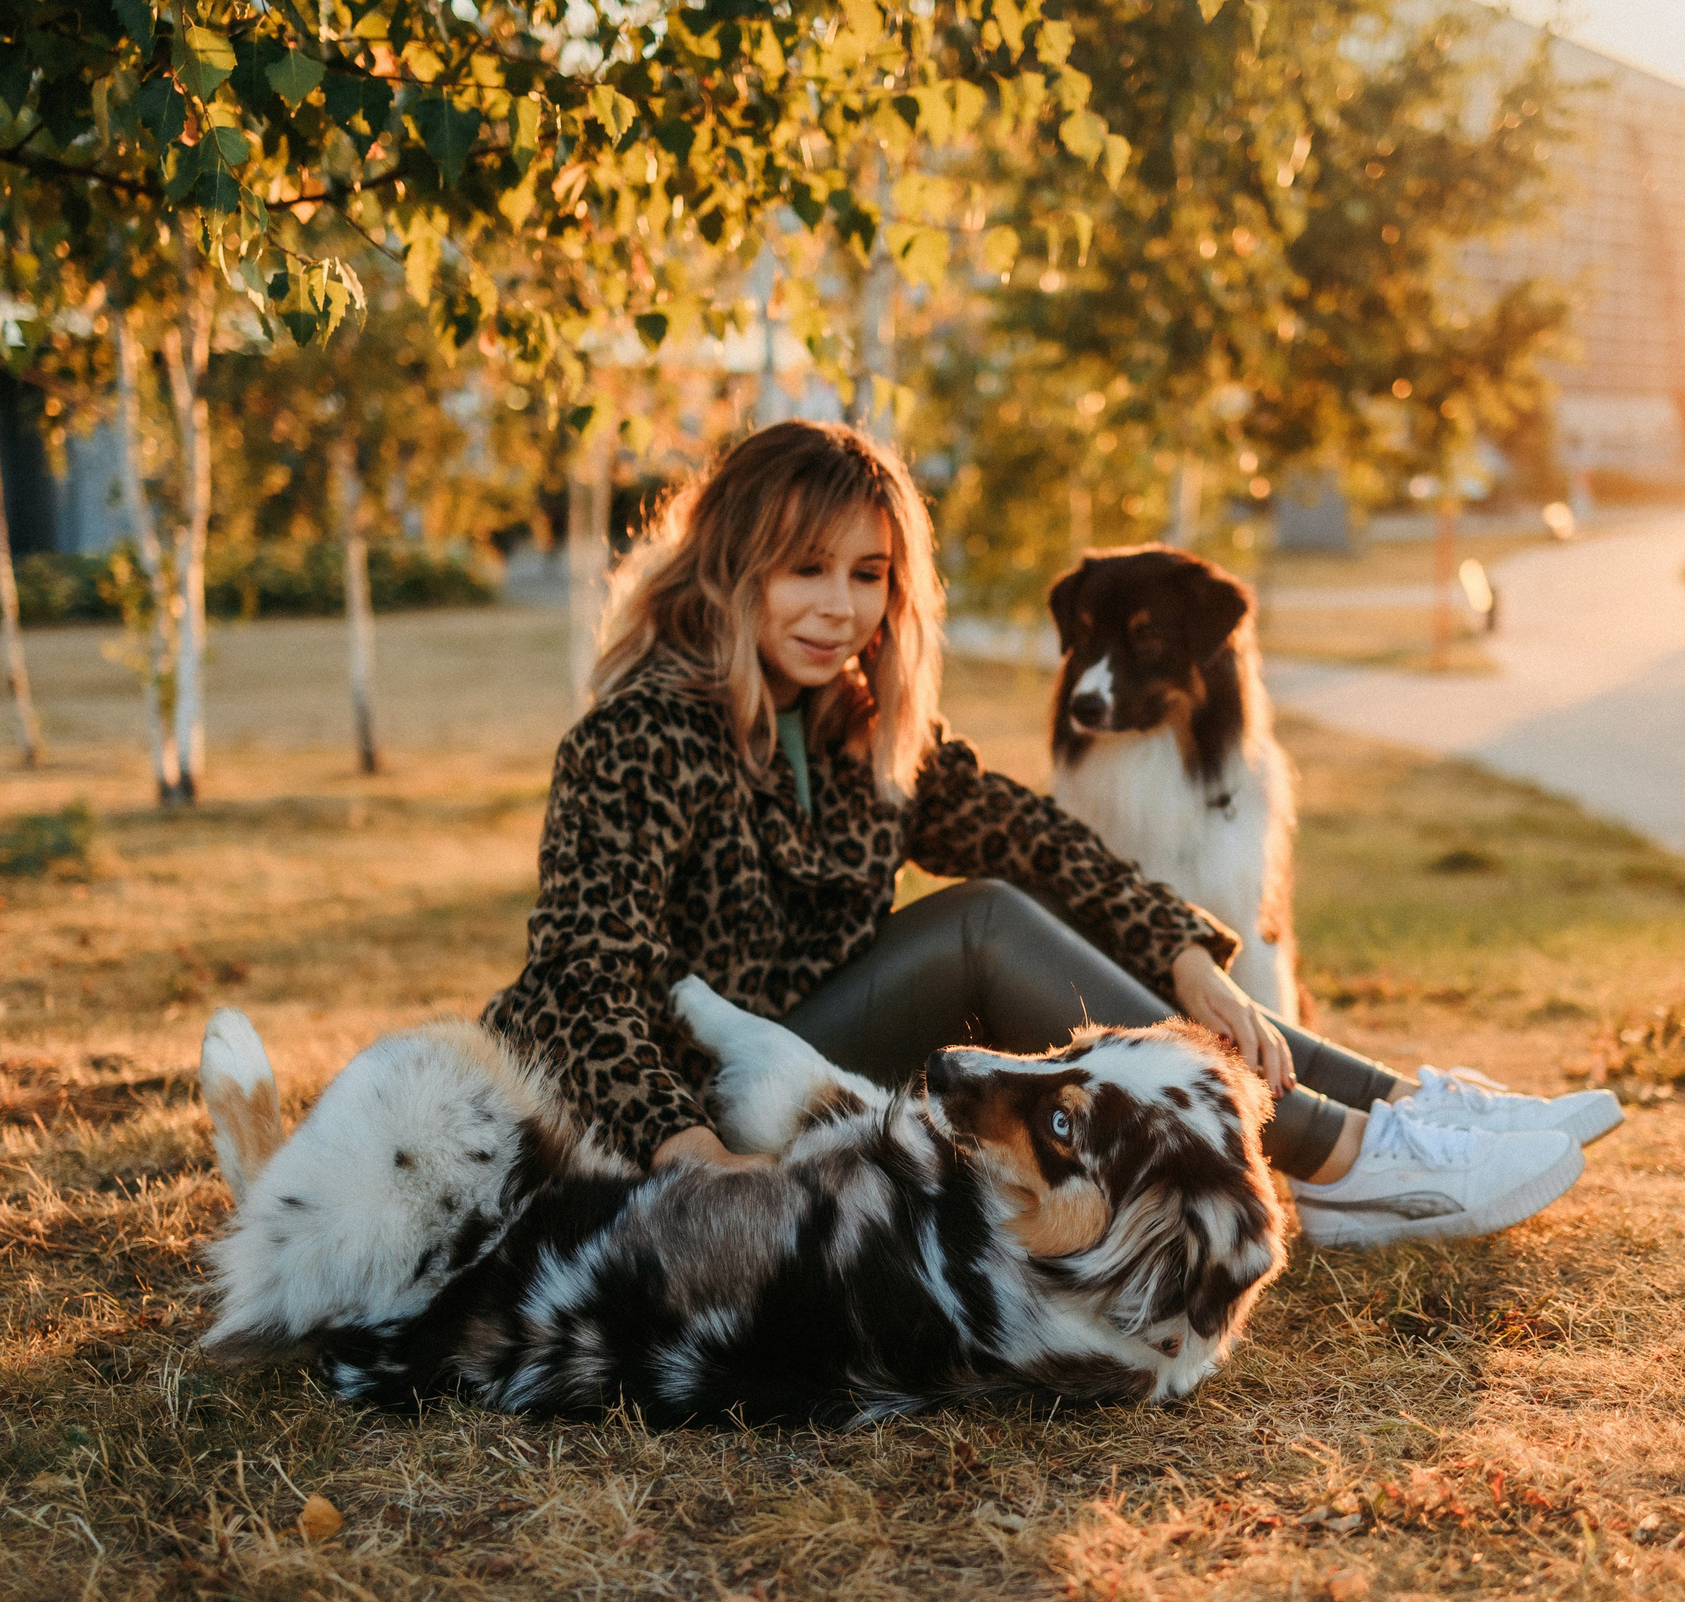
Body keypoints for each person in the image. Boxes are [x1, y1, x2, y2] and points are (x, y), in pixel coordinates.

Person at [481, 421, 1614, 1248]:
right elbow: (583, 986)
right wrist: (701, 1166)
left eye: (869, 576)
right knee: (980, 926)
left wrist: (1182, 956)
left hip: (807, 1063)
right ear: (733, 568)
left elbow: (1033, 834)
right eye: (804, 571)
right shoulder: (641, 734)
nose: (841, 608)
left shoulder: (850, 725)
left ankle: (1400, 1113)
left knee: (1045, 896)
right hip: (680, 1105)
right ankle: (1349, 1163)